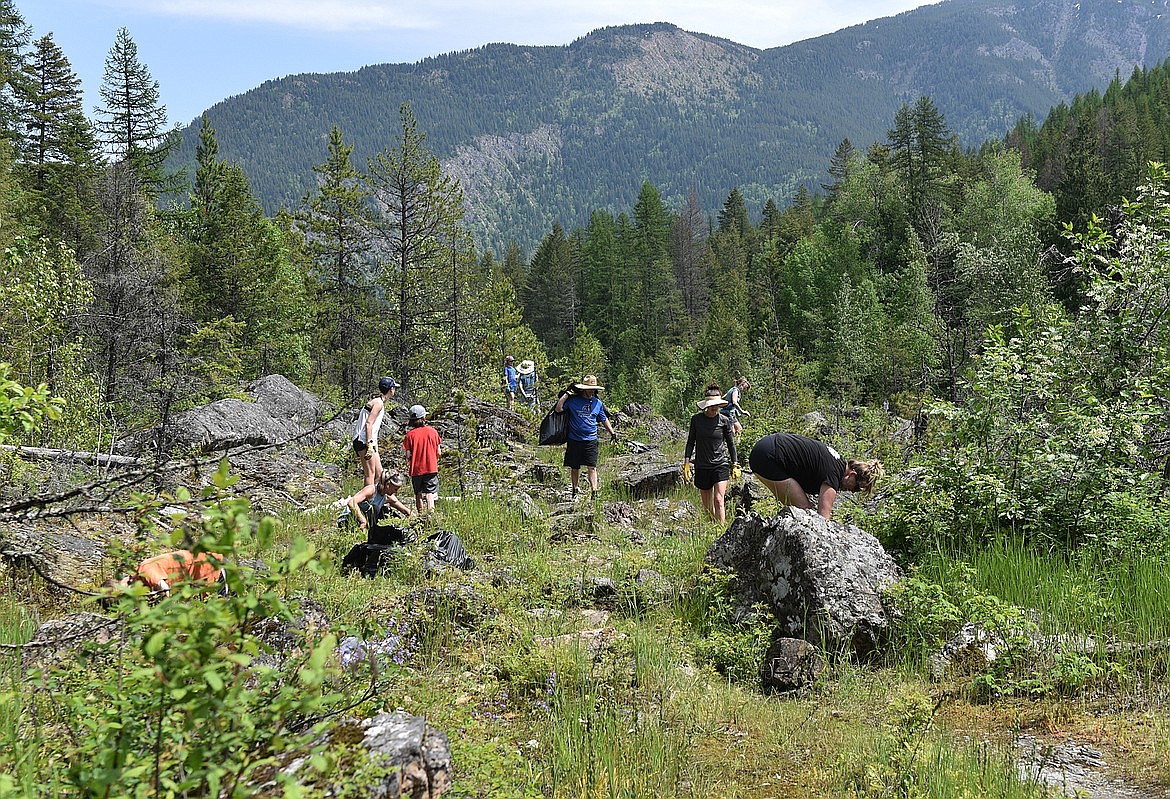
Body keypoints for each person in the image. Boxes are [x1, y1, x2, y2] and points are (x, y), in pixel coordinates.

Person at [748, 432, 884, 520]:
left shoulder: (837, 463)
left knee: (801, 512)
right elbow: (823, 518)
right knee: (806, 514)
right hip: (768, 456)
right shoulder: (834, 475)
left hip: (766, 448)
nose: (852, 491)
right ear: (852, 475)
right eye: (856, 488)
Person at [553, 374, 618, 500]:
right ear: (583, 389)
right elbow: (558, 408)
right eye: (589, 389)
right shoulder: (573, 401)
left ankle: (594, 492)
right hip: (574, 439)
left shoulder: (597, 403)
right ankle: (575, 490)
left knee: (592, 467)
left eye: (593, 389)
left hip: (591, 440)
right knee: (575, 467)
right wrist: (566, 394)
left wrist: (612, 433)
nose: (591, 391)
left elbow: (604, 419)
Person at [683, 385, 738, 525]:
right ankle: (712, 526)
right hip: (702, 465)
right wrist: (687, 463)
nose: (715, 409)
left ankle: (721, 530)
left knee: (719, 500)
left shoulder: (724, 420)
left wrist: (735, 463)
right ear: (706, 406)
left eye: (717, 406)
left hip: (720, 464)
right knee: (707, 507)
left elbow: (731, 444)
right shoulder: (696, 420)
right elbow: (691, 442)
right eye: (712, 406)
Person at [104, 550, 226, 595]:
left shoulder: (145, 570)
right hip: (203, 575)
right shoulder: (142, 580)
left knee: (225, 614)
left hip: (211, 568)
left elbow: (164, 589)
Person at [353, 377, 397, 489]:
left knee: (380, 474)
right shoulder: (378, 403)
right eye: (394, 388)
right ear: (391, 389)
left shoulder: (378, 401)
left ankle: (377, 501)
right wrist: (370, 444)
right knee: (370, 474)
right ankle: (365, 502)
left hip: (368, 441)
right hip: (363, 440)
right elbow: (369, 424)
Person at [402, 404, 442, 515]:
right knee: (430, 493)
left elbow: (408, 455)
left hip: (416, 470)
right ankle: (430, 515)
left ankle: (420, 515)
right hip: (431, 468)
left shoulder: (409, 435)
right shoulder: (433, 432)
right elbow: (439, 452)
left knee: (418, 493)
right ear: (423, 418)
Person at [347, 469, 412, 534]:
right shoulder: (371, 490)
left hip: (365, 520)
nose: (395, 492)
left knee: (387, 511)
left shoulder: (388, 497)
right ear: (388, 485)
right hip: (349, 519)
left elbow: (405, 510)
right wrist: (363, 521)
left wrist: (416, 518)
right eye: (395, 489)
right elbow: (351, 502)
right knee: (375, 509)